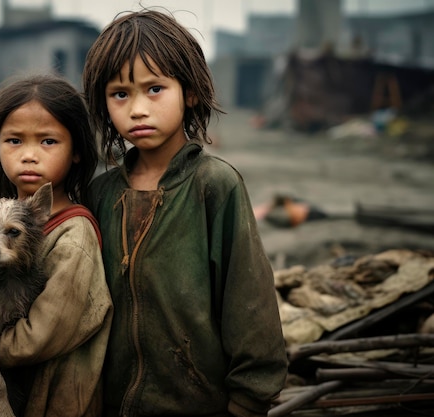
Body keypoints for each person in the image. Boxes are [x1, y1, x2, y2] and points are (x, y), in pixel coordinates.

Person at [82, 9, 288, 417]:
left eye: (154, 89)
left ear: (189, 92)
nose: (138, 109)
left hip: (198, 403)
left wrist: (249, 400)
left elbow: (250, 306)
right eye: (120, 94)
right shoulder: (100, 194)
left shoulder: (214, 186)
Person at [0, 74, 113, 417]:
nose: (29, 155)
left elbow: (43, 334)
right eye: (14, 140)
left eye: (47, 141)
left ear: (76, 151)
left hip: (50, 400)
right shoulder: (1, 220)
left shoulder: (74, 236)